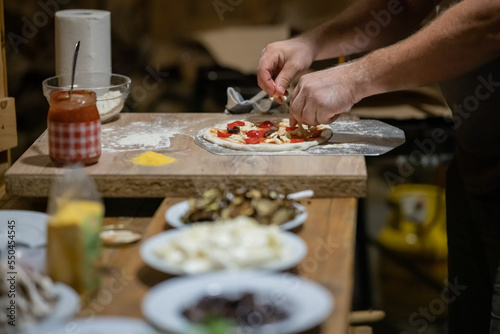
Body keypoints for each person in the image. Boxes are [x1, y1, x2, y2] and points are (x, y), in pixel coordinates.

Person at [257, 0, 500, 333]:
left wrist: (356, 78)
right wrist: (310, 43)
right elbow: (403, 5)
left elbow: (490, 17)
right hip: (476, 159)